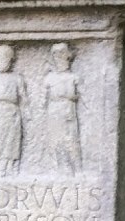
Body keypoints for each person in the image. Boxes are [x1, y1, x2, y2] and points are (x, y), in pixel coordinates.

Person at [0, 45, 27, 176]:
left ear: (11, 61)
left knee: (12, 140)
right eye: (1, 59)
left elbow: (23, 97)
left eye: (7, 59)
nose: (4, 62)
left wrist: (28, 113)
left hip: (12, 111)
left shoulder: (17, 78)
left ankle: (9, 168)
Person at [44, 43, 81, 174]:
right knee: (54, 140)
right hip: (54, 112)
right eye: (56, 54)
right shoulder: (49, 78)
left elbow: (82, 96)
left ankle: (76, 170)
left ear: (68, 56)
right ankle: (56, 169)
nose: (59, 56)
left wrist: (71, 97)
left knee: (70, 139)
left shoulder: (73, 77)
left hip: (67, 111)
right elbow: (43, 100)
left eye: (62, 53)